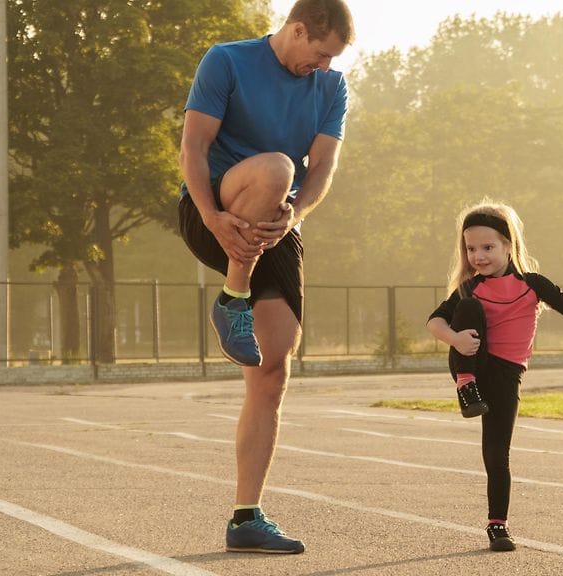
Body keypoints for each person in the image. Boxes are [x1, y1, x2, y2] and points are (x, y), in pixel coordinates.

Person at [176, 0, 354, 554]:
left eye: (333, 59)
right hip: (215, 206)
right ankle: (233, 297)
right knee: (277, 165)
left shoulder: (333, 86)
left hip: (276, 222)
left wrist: (292, 217)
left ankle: (245, 517)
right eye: (320, 53)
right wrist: (211, 216)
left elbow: (321, 167)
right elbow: (194, 148)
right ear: (298, 30)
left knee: (272, 367)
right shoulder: (226, 60)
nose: (323, 66)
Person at [426, 200, 563, 552]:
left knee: (497, 453)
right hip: (474, 364)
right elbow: (435, 322)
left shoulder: (532, 284)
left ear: (508, 245)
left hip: (507, 375)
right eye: (472, 249)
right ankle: (466, 388)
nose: (479, 256)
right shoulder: (470, 289)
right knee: (467, 308)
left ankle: (497, 526)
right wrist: (455, 338)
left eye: (487, 248)